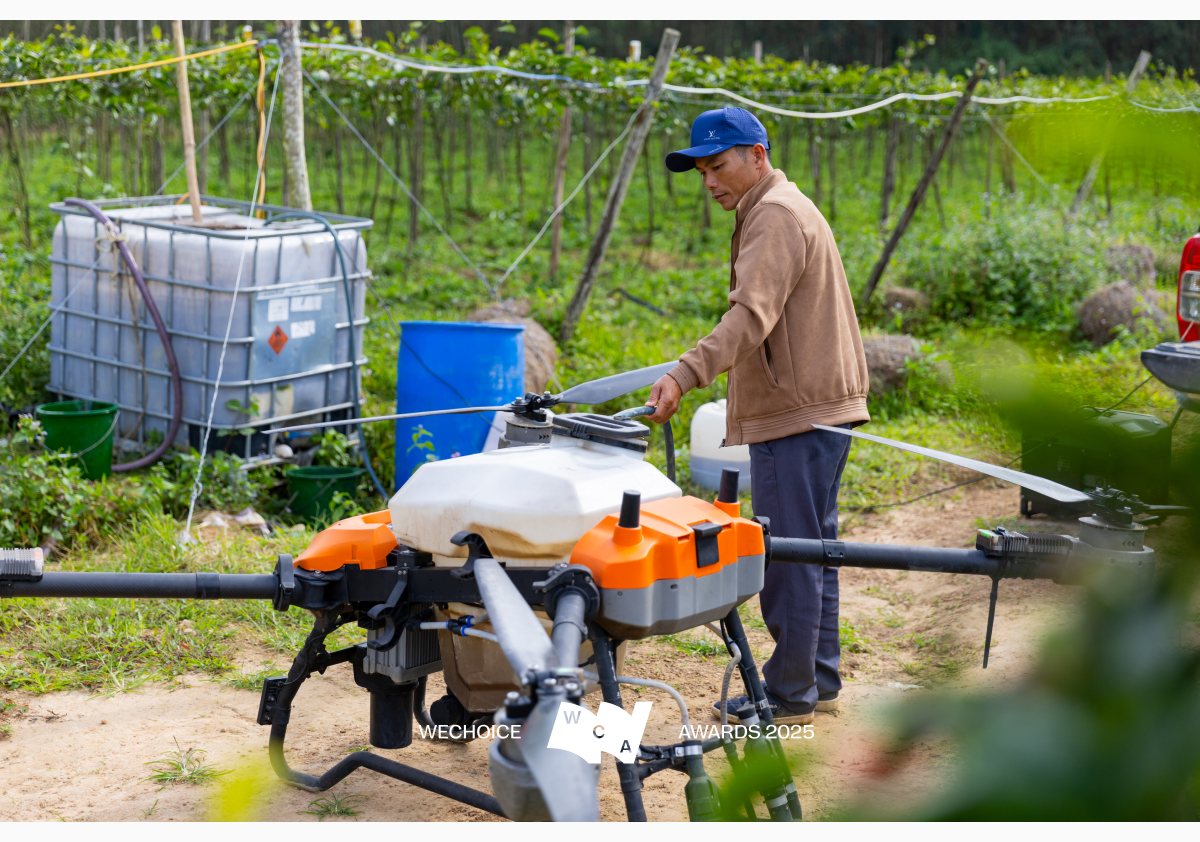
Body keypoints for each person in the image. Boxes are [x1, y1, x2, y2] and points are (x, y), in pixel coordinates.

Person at [645, 107, 870, 726]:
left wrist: (684, 372)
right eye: (700, 171)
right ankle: (815, 679)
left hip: (799, 413)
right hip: (814, 407)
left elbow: (749, 317)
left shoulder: (773, 215)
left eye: (718, 165)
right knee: (811, 546)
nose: (709, 181)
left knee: (789, 552)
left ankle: (790, 691)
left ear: (758, 156)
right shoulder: (779, 207)